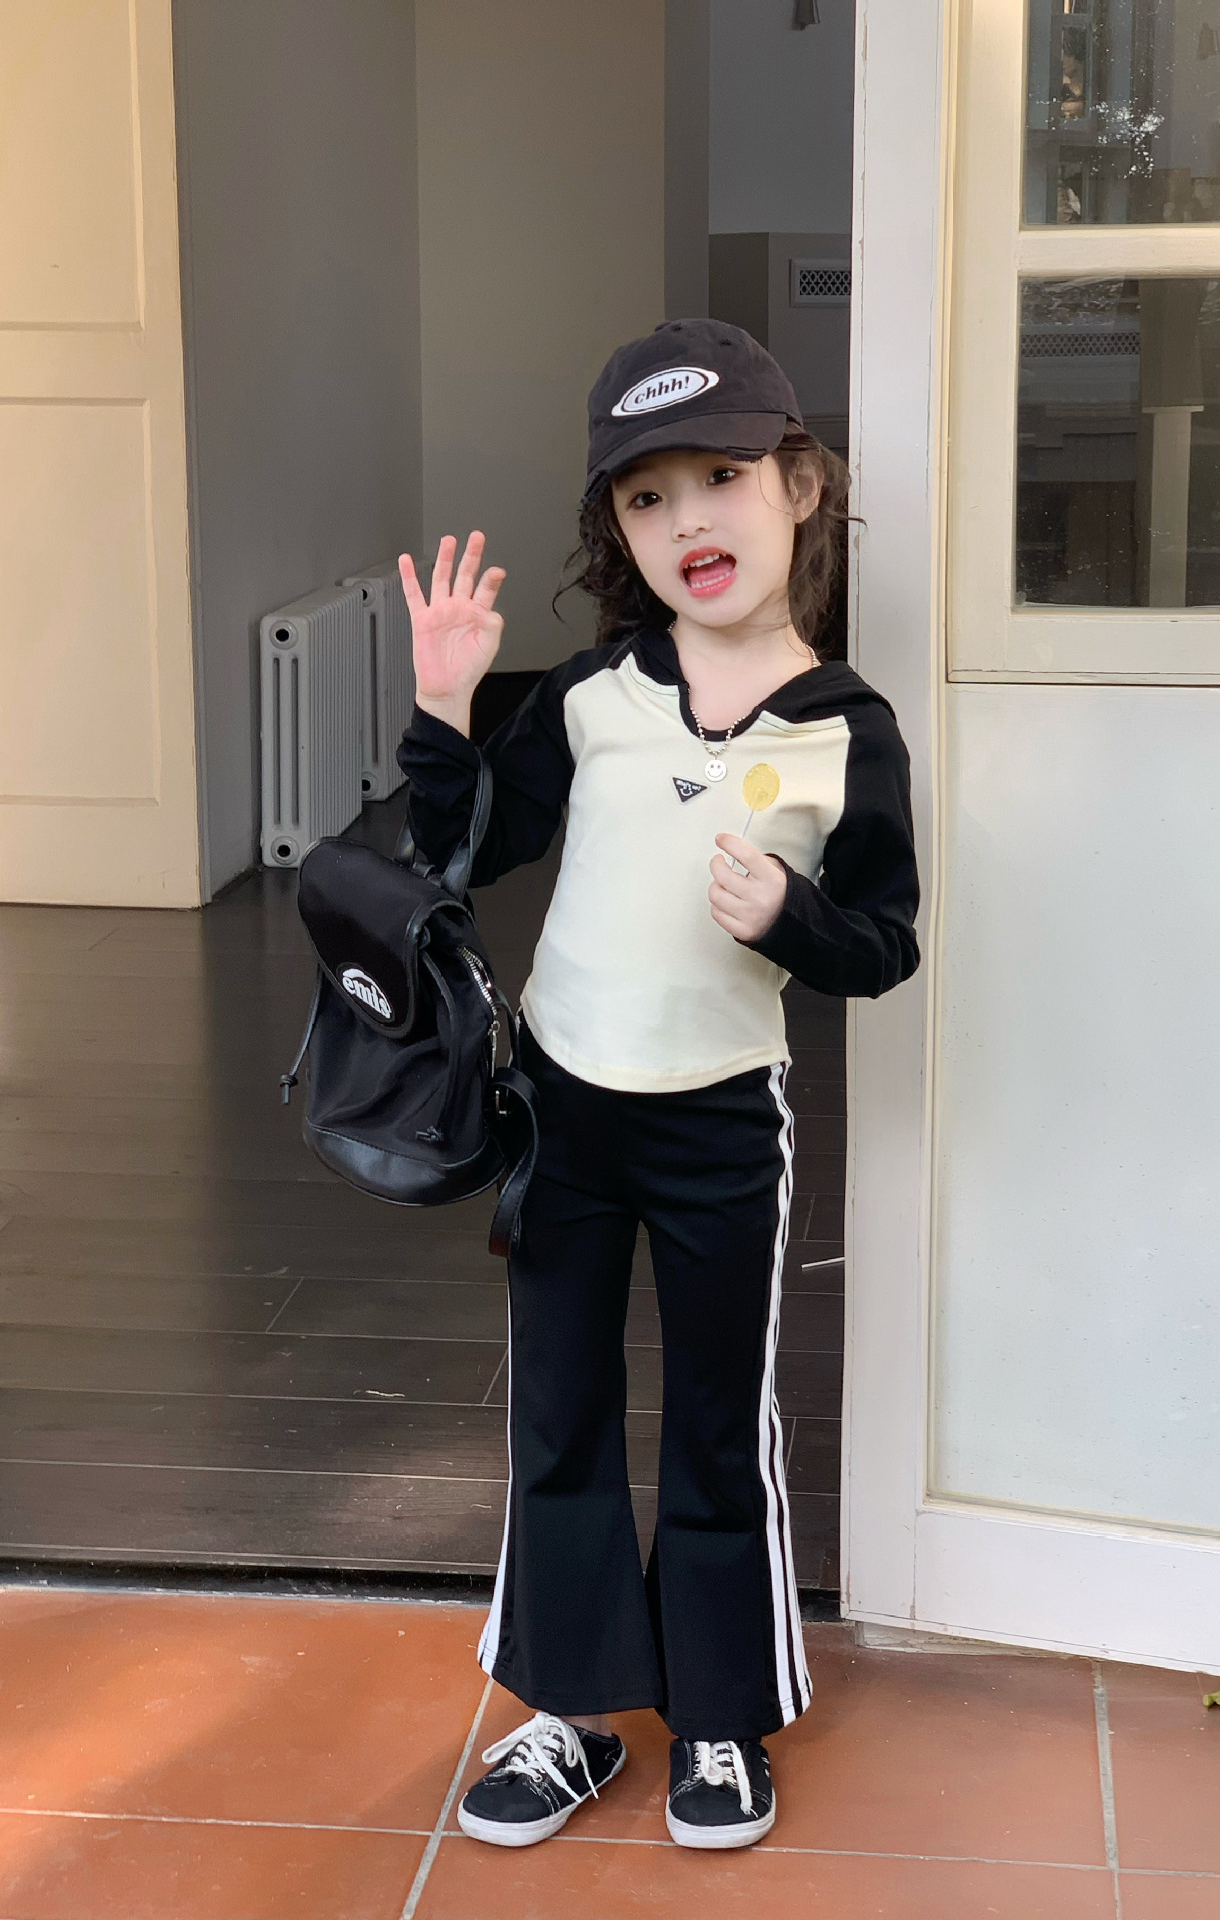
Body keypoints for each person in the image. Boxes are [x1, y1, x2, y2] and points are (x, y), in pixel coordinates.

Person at [395, 319, 920, 1852]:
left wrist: (791, 918)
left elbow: (883, 944)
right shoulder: (589, 696)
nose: (687, 518)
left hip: (719, 1127)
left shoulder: (847, 732)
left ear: (799, 486)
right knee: (557, 1412)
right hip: (562, 1112)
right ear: (615, 531)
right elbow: (463, 846)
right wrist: (444, 707)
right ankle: (567, 1713)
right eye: (645, 496)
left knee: (713, 1423)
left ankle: (717, 1718)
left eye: (721, 476)